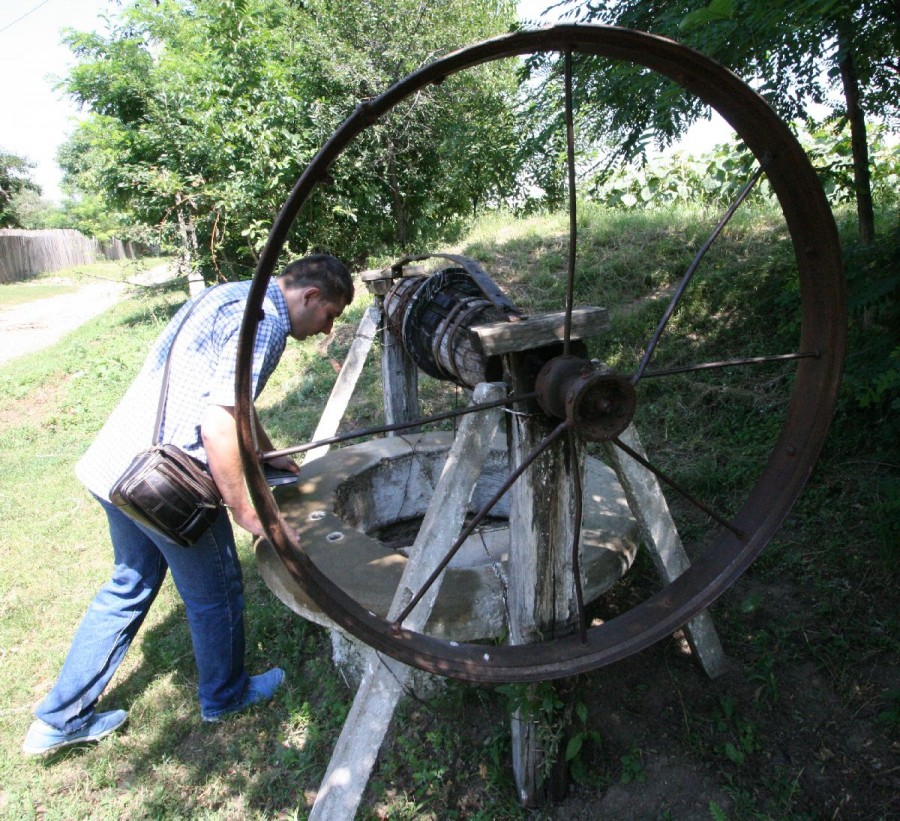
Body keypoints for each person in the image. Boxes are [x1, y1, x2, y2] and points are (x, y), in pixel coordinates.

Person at [22, 254, 353, 755]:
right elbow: (217, 426)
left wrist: (263, 450)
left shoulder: (231, 295)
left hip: (118, 466)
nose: (327, 329)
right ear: (309, 296)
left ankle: (58, 719)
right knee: (215, 594)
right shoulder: (265, 324)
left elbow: (234, 400)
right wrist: (244, 511)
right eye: (330, 315)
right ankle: (225, 696)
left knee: (128, 584)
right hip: (166, 488)